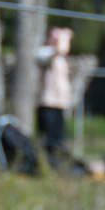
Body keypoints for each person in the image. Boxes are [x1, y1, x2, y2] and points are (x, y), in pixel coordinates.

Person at [37, 26, 75, 162]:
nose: (56, 40)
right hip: (47, 103)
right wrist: (64, 37)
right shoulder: (43, 52)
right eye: (54, 37)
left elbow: (63, 51)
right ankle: (46, 162)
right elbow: (59, 50)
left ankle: (57, 162)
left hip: (60, 103)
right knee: (48, 138)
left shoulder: (61, 59)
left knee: (58, 138)